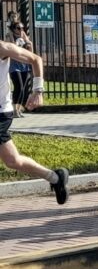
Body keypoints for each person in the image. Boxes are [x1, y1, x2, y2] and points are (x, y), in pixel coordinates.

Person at [0, 29, 69, 203]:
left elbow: (35, 59)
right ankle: (55, 177)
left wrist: (38, 91)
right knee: (12, 161)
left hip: (1, 112)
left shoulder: (3, 48)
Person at [6, 21, 33, 118]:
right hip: (14, 66)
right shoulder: (9, 37)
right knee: (19, 87)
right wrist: (14, 39)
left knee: (24, 89)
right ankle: (14, 110)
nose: (21, 30)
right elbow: (10, 48)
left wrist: (28, 42)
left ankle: (18, 109)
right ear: (13, 29)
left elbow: (31, 50)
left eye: (22, 28)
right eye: (18, 28)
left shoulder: (24, 37)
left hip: (24, 65)